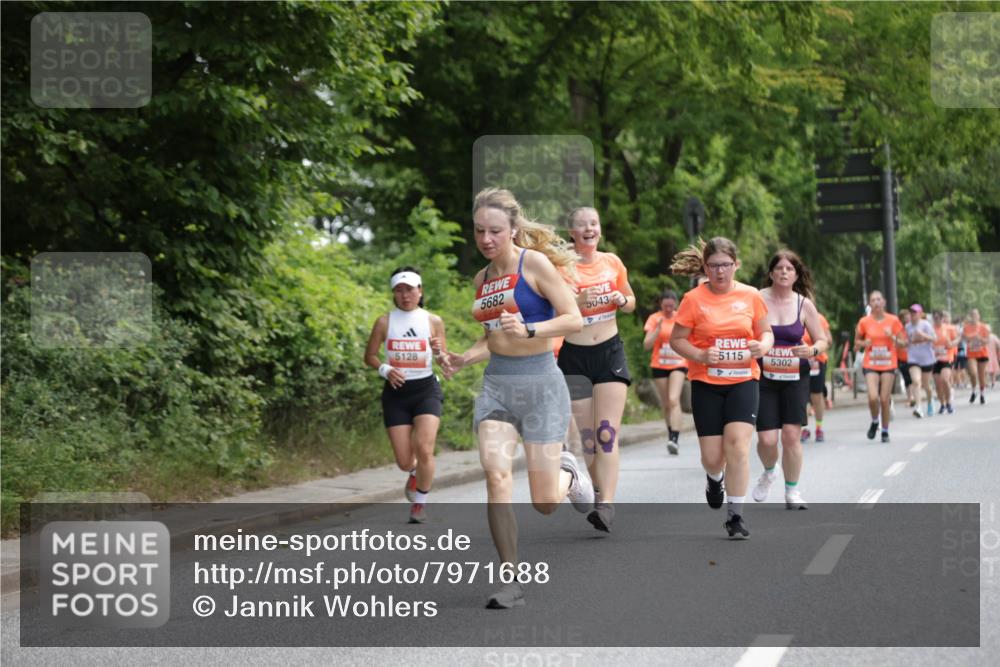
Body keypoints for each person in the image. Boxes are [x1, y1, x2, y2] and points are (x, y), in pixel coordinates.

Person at [440, 187, 592, 609]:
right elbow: (491, 338)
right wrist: (463, 358)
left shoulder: (534, 264)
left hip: (542, 385)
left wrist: (530, 330)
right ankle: (511, 580)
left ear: (512, 229)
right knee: (496, 476)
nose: (486, 239)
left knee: (544, 503)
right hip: (497, 387)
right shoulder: (483, 280)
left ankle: (570, 474)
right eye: (479, 231)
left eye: (494, 231)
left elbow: (573, 319)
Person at [669, 238, 773, 539]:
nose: (720, 272)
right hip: (706, 382)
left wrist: (760, 346)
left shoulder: (751, 296)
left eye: (726, 265)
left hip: (743, 380)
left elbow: (766, 334)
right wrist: (700, 355)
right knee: (713, 458)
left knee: (738, 446)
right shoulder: (692, 299)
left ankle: (735, 516)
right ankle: (715, 479)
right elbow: (677, 340)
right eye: (714, 266)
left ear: (735, 265)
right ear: (705, 267)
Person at [558, 206, 637, 533]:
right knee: (589, 437)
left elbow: (632, 302)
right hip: (574, 355)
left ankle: (606, 503)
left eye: (594, 223)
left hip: (608, 351)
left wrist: (621, 299)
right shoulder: (559, 268)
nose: (590, 228)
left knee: (606, 432)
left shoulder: (612, 262)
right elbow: (552, 309)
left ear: (599, 230)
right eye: (582, 225)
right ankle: (598, 491)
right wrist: (578, 302)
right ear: (572, 233)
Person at [363, 267, 446, 524]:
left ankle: (419, 505)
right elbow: (370, 356)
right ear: (393, 294)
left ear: (420, 291)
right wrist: (386, 369)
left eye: (409, 289)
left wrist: (440, 351)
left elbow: (444, 358)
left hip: (426, 391)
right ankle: (412, 472)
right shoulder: (384, 321)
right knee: (403, 460)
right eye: (399, 290)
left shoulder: (433, 321)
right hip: (396, 393)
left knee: (424, 448)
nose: (405, 295)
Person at [750, 250, 827, 511]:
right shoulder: (757, 299)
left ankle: (792, 491)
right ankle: (769, 471)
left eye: (789, 269)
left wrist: (812, 350)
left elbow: (822, 339)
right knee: (767, 440)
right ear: (771, 273)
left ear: (796, 275)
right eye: (779, 268)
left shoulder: (803, 304)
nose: (784, 272)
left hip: (795, 375)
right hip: (764, 376)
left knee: (792, 436)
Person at [854, 291, 907, 442]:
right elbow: (856, 344)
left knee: (884, 399)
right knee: (872, 397)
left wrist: (893, 337)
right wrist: (864, 343)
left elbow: (904, 343)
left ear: (884, 302)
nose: (876, 302)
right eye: (873, 300)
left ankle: (884, 431)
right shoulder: (864, 322)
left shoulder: (893, 320)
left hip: (888, 363)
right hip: (870, 363)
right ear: (870, 304)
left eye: (879, 299)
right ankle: (875, 421)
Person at [644, 289, 688, 455]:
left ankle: (675, 438)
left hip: (678, 363)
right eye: (665, 306)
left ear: (676, 304)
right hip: (659, 364)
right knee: (666, 404)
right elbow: (646, 345)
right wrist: (657, 329)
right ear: (661, 305)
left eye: (671, 306)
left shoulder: (681, 318)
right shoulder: (654, 319)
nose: (668, 309)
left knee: (673, 399)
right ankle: (671, 434)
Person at [801, 310, 833, 442]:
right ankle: (805, 428)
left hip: (817, 361)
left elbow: (829, 341)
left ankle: (819, 428)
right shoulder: (791, 316)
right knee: (802, 394)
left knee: (816, 395)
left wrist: (814, 345)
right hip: (799, 361)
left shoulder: (819, 318)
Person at [905, 304, 937, 418]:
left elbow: (934, 338)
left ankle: (930, 401)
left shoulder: (926, 325)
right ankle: (918, 407)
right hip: (913, 358)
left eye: (915, 312)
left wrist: (922, 334)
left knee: (926, 385)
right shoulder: (907, 327)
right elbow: (907, 341)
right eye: (911, 312)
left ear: (920, 314)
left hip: (926, 358)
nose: (913, 315)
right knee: (916, 381)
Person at [931, 309, 960, 414]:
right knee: (938, 385)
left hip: (947, 357)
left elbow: (957, 339)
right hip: (935, 359)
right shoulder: (930, 329)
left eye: (938, 318)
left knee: (944, 379)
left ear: (942, 318)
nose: (936, 320)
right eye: (934, 318)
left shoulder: (949, 328)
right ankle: (942, 404)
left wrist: (952, 344)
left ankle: (948, 403)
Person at [963, 309, 992, 404]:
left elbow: (987, 341)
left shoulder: (984, 327)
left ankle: (982, 394)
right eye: (972, 315)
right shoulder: (966, 327)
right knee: (973, 373)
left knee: (981, 376)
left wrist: (980, 338)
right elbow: (965, 338)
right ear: (970, 317)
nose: (974, 317)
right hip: (971, 354)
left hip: (982, 354)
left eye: (975, 315)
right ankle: (974, 390)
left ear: (979, 316)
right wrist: (972, 336)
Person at [897, 308, 915, 409]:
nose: (908, 318)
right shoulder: (899, 330)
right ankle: (910, 398)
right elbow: (897, 343)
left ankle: (912, 398)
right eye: (905, 317)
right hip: (901, 357)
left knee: (912, 378)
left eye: (909, 316)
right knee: (907, 378)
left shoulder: (913, 328)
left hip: (912, 357)